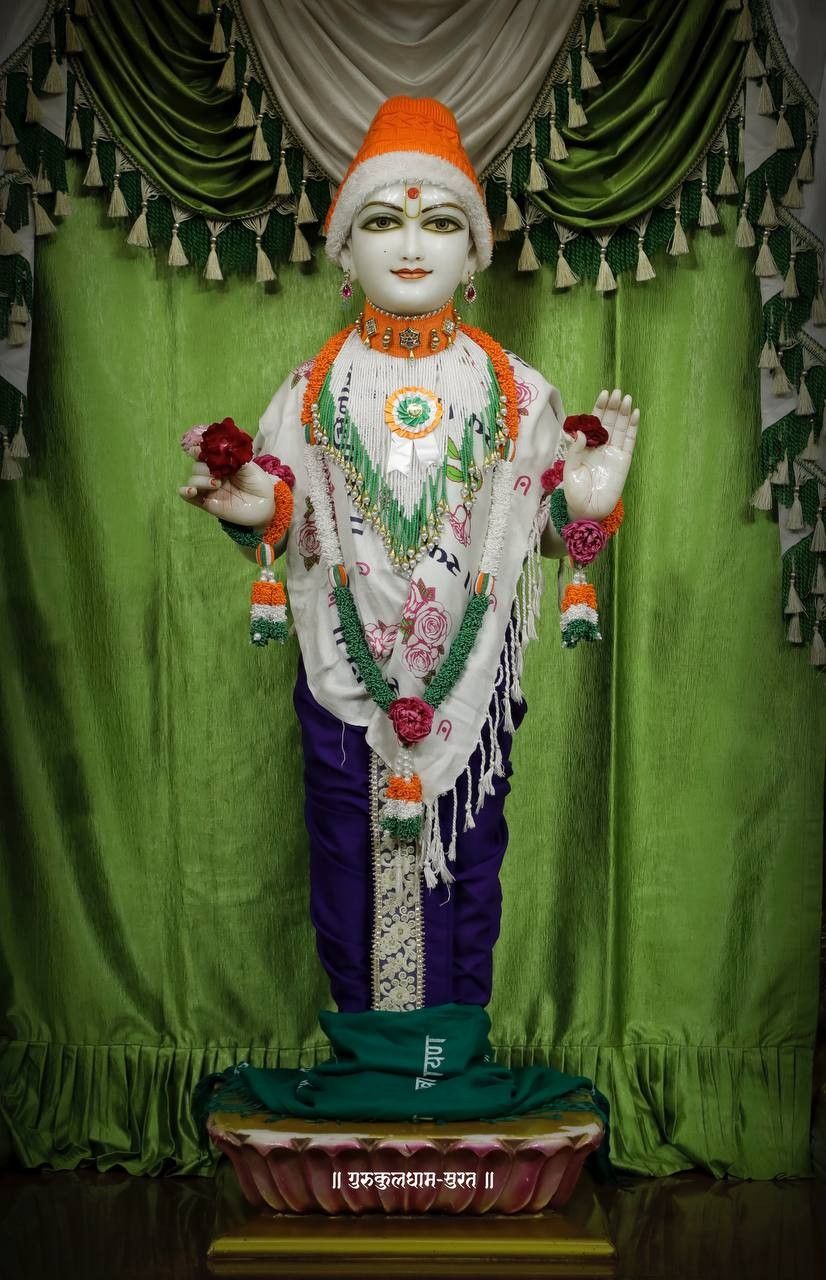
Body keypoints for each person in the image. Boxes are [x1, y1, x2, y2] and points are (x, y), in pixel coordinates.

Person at [181, 98, 638, 1105]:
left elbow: (549, 529)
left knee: (468, 858)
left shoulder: (517, 391)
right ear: (345, 252)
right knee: (346, 864)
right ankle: (371, 1073)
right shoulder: (310, 391)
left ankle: (447, 1074)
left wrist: (590, 506)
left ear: (475, 255)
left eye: (439, 222)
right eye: (384, 220)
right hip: (344, 679)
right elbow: (279, 506)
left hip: (470, 681)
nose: (412, 244)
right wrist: (251, 510)